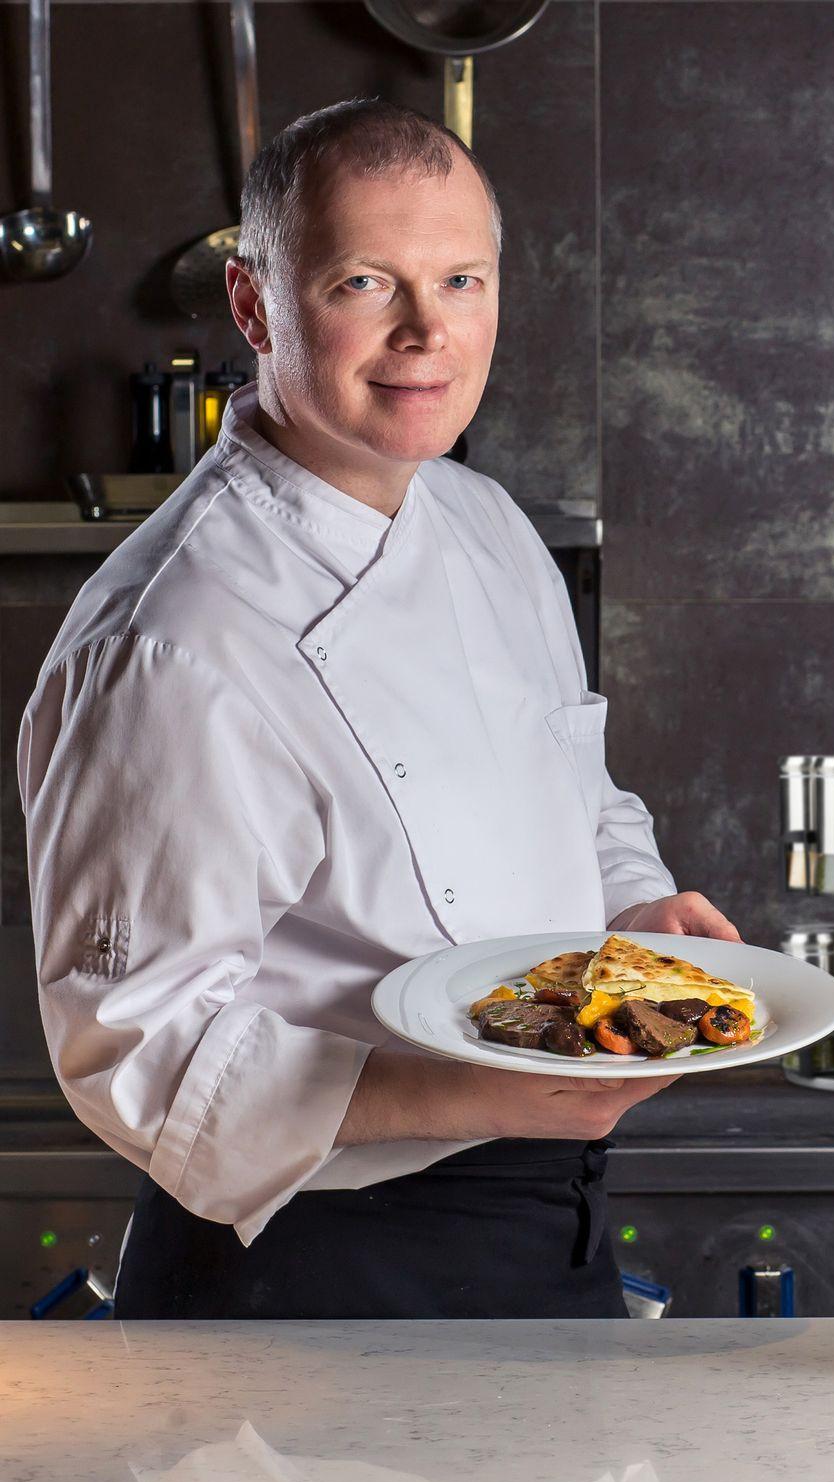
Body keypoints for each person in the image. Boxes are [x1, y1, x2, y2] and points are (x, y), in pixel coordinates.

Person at [19, 97, 738, 1318]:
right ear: (252, 305)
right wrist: (480, 1088)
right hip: (309, 1266)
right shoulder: (177, 636)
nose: (426, 332)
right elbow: (134, 1053)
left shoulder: (484, 522)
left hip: (545, 1216)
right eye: (364, 282)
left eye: (461, 280)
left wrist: (638, 910)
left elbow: (581, 782)